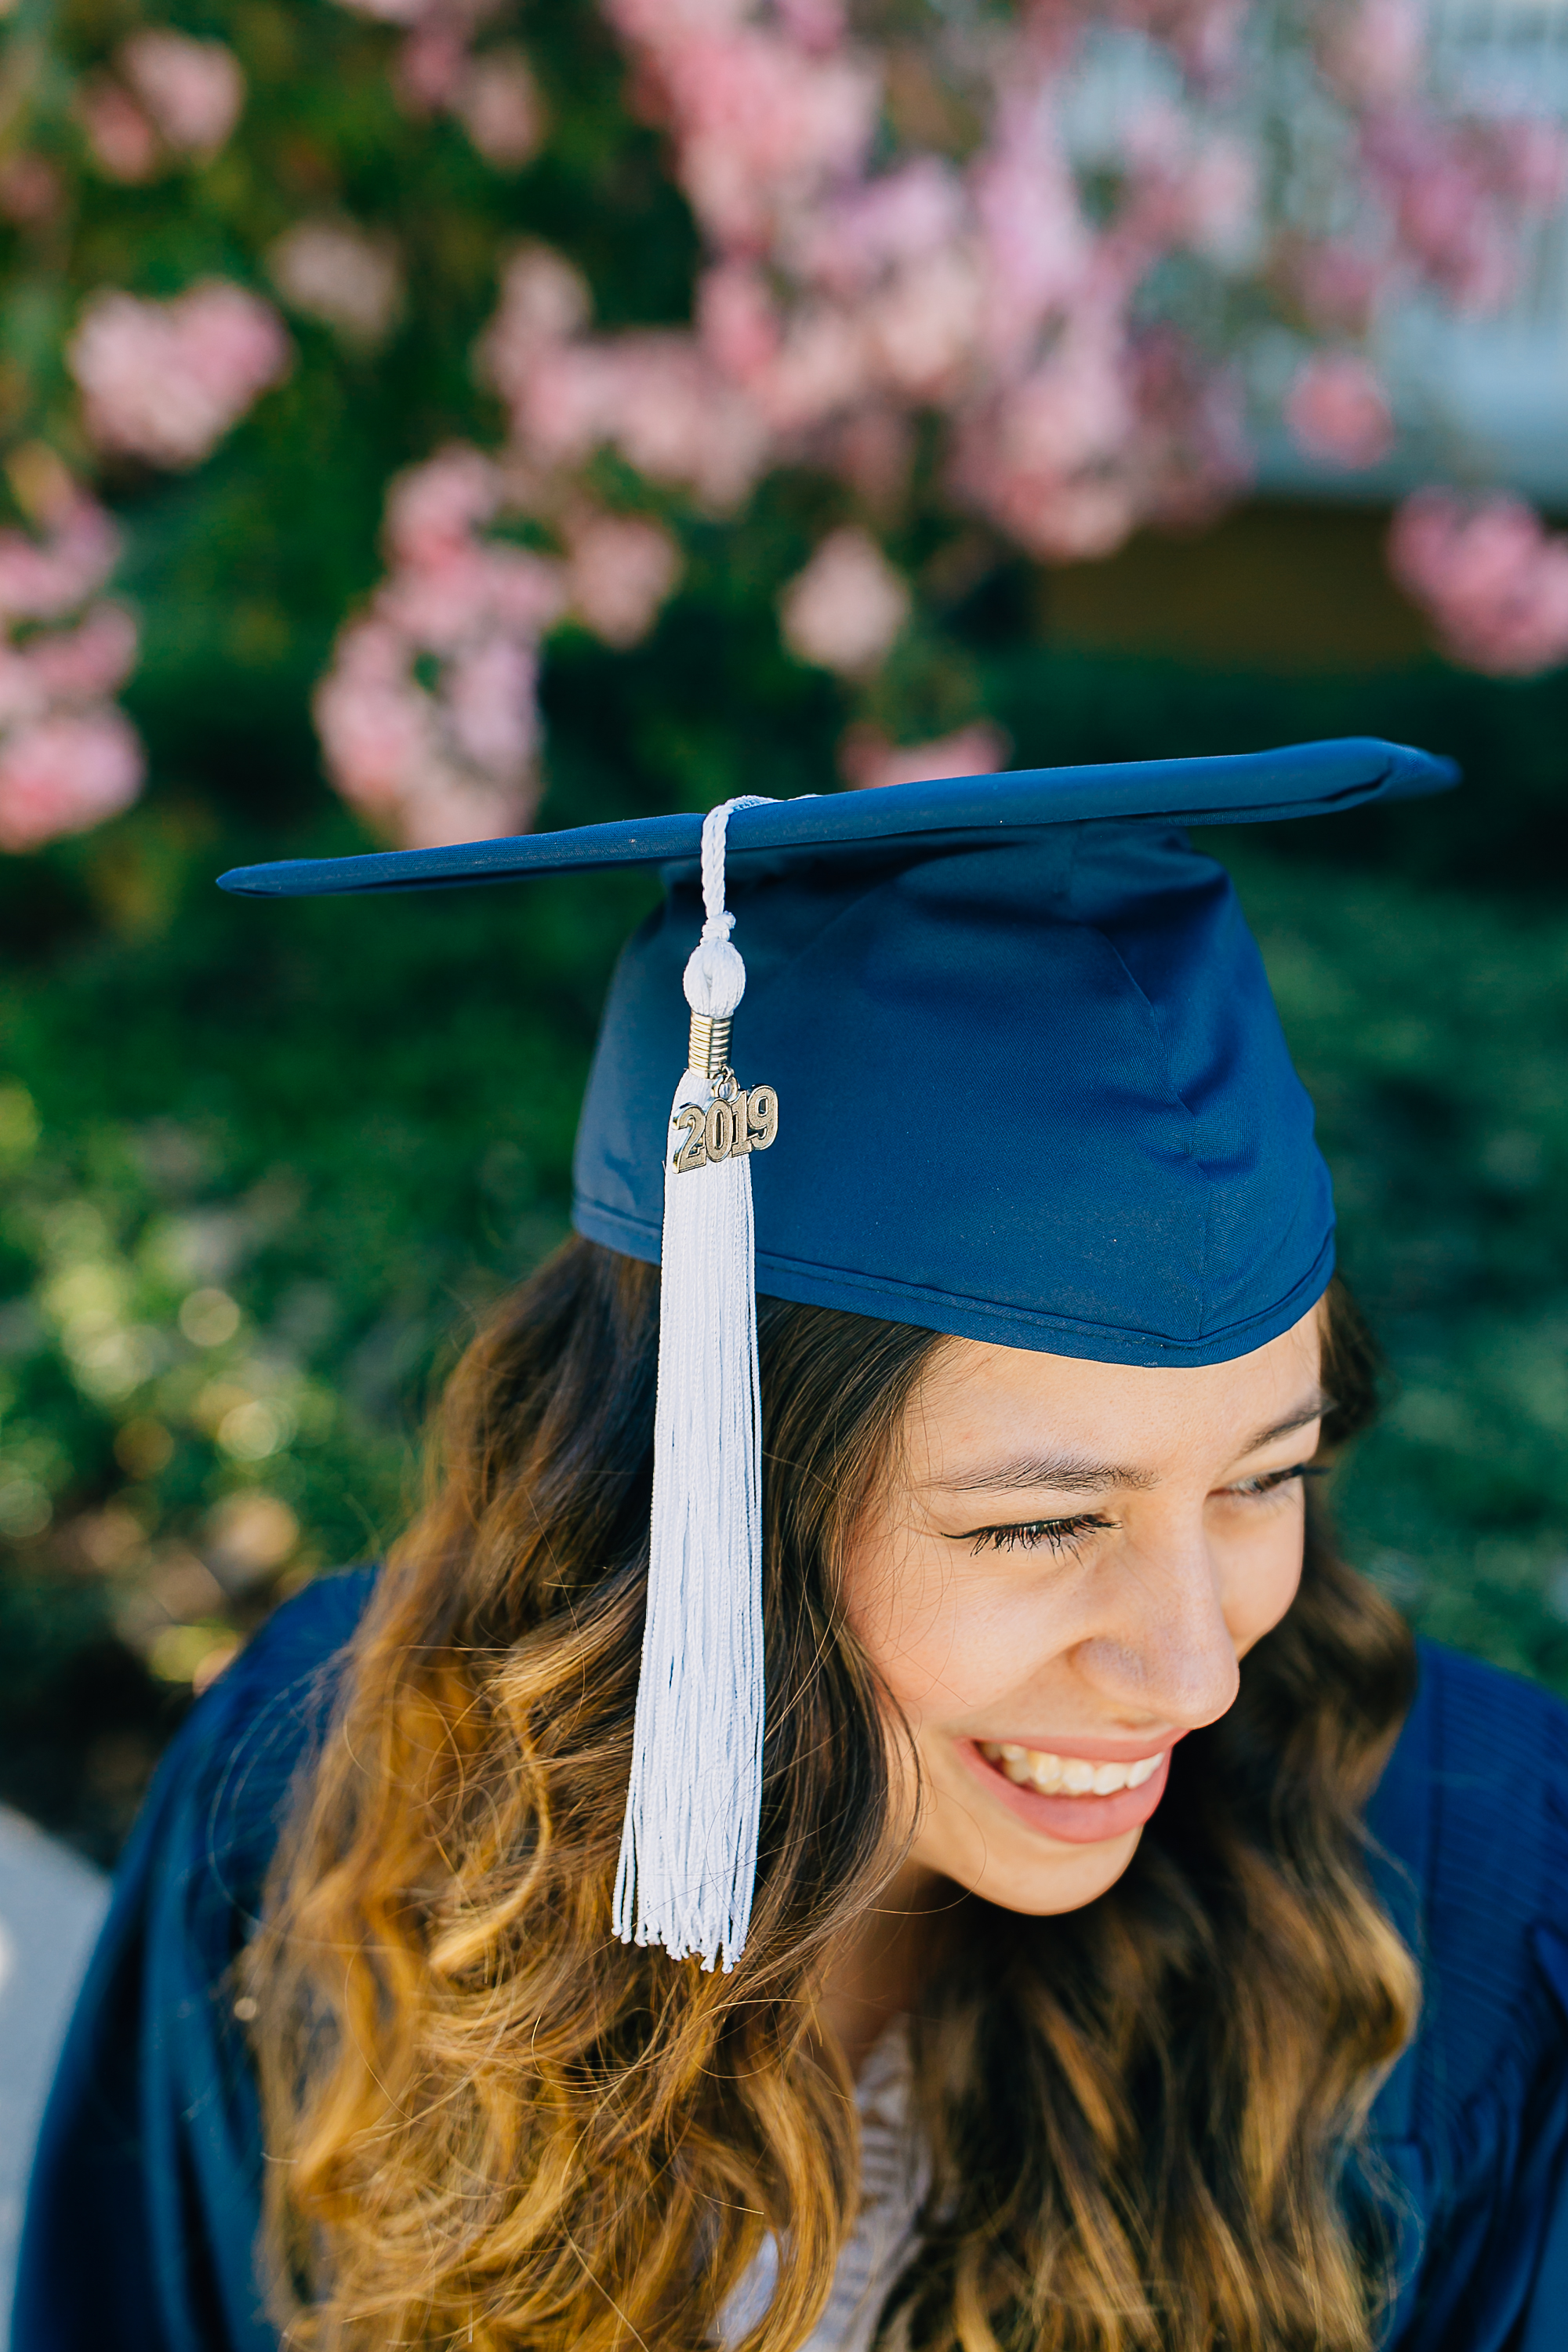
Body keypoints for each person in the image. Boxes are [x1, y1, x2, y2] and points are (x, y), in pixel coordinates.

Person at [16, 742, 1568, 2352]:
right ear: (690, 1496)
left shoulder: (1478, 1914)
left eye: (1265, 1478)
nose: (1191, 1667)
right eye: (1040, 1520)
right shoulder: (322, 1807)